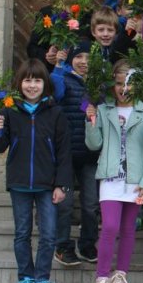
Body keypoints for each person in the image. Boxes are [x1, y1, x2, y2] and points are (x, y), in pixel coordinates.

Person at [0, 59, 71, 283]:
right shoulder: (10, 111)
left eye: (37, 80)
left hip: (47, 185)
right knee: (22, 233)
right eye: (27, 80)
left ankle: (42, 279)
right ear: (19, 83)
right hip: (20, 183)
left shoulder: (55, 113)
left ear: (45, 84)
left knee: (48, 235)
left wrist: (61, 185)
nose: (32, 85)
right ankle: (25, 278)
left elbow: (64, 153)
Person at [85, 60, 143, 283]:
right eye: (118, 83)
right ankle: (102, 281)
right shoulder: (105, 110)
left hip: (136, 180)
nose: (123, 88)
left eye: (129, 83)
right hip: (110, 178)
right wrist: (91, 120)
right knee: (110, 227)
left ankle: (120, 276)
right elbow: (94, 145)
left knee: (128, 229)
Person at [51, 40, 100, 266]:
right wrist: (59, 66)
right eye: (79, 57)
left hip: (90, 155)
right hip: (67, 155)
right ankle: (62, 246)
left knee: (90, 204)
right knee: (65, 204)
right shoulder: (64, 79)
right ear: (72, 59)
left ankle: (87, 244)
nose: (84, 62)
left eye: (89, 58)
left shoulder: (98, 84)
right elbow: (56, 91)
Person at [27, 0, 88, 71]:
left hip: (80, 77)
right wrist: (48, 56)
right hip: (52, 75)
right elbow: (32, 48)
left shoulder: (88, 15)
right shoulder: (47, 14)